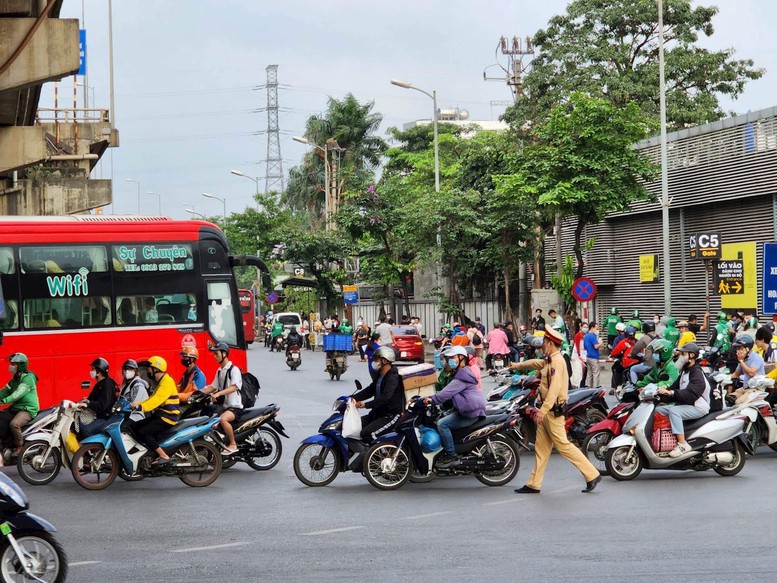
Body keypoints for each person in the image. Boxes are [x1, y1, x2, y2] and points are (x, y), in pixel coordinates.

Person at [510, 327, 601, 494]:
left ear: (550, 343)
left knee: (564, 446)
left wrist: (542, 411)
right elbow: (535, 363)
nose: (542, 345)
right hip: (547, 411)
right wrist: (516, 365)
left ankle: (592, 474)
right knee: (541, 449)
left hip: (553, 411)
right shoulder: (550, 360)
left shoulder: (557, 362)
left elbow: (554, 390)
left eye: (544, 342)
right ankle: (533, 483)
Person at [424, 346, 487, 467]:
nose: (448, 362)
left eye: (452, 358)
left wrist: (431, 400)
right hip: (465, 409)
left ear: (461, 358)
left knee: (442, 424)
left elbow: (445, 394)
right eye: (447, 359)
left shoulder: (462, 376)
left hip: (470, 412)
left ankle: (451, 455)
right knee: (441, 417)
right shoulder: (460, 373)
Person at [655, 342, 711, 458]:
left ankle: (682, 444)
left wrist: (671, 392)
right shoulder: (685, 371)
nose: (680, 356)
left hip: (698, 407)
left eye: (683, 354)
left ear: (691, 356)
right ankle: (666, 439)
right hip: (687, 404)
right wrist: (659, 392)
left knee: (674, 411)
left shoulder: (697, 373)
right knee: (659, 410)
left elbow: (691, 394)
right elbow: (674, 387)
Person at [129, 356, 180, 464]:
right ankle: (149, 453)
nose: (147, 371)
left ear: (156, 369)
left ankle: (164, 456)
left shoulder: (167, 382)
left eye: (149, 368)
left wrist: (141, 407)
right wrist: (136, 404)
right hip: (160, 415)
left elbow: (157, 400)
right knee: (134, 426)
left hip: (168, 417)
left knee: (143, 432)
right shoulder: (161, 381)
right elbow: (151, 398)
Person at [352, 346, 405, 443]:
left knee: (367, 433)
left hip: (390, 416)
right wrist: (352, 397)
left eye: (376, 359)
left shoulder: (392, 378)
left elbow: (385, 398)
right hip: (377, 413)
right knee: (354, 426)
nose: (374, 361)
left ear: (384, 361)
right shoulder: (380, 375)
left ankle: (383, 455)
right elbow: (370, 390)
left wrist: (366, 405)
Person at [201, 342, 243, 455]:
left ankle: (233, 444)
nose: (214, 356)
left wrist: (218, 394)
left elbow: (234, 387)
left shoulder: (234, 370)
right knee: (211, 422)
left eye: (216, 354)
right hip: (225, 407)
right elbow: (212, 387)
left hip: (235, 407)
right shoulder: (220, 371)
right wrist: (196, 393)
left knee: (223, 419)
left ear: (224, 354)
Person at [0, 353, 39, 458]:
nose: (11, 366)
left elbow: (17, 394)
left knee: (14, 424)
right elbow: (4, 391)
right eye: (11, 363)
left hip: (27, 409)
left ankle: (19, 446)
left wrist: (4, 401)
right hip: (16, 408)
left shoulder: (27, 379)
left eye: (14, 364)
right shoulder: (14, 379)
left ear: (21, 365)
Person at [78, 357, 118, 438]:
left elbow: (103, 405)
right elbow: (92, 399)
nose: (91, 371)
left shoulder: (107, 384)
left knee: (86, 431)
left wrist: (88, 404)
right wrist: (85, 401)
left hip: (106, 418)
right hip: (97, 415)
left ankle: (93, 449)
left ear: (99, 372)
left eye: (93, 369)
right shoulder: (100, 384)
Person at [610, 326, 638, 390]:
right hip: (637, 362)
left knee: (616, 369)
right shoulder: (638, 341)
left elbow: (614, 352)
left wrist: (612, 355)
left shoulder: (624, 342)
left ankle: (618, 386)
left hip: (627, 363)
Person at [583, 322, 602, 388]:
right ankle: (595, 388)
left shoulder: (586, 336)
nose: (597, 330)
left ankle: (589, 388)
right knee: (596, 374)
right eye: (596, 328)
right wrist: (600, 342)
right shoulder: (593, 336)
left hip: (588, 357)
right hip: (594, 357)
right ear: (592, 328)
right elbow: (596, 346)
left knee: (590, 374)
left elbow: (585, 347)